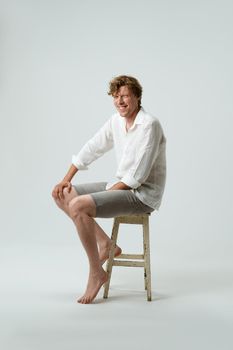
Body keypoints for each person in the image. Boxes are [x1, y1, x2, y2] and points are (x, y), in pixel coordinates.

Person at [52, 75, 166, 304]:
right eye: (116, 97)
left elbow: (139, 175)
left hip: (141, 194)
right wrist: (66, 179)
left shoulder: (149, 125)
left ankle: (96, 272)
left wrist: (110, 191)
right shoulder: (116, 121)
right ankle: (106, 244)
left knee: (78, 206)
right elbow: (93, 147)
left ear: (137, 97)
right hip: (121, 185)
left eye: (124, 95)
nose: (120, 101)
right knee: (65, 194)